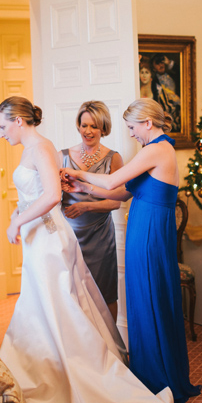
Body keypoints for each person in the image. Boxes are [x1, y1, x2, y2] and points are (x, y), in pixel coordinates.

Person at [0, 96, 174, 403]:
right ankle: (43, 369)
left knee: (66, 305)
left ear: (18, 120)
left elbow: (61, 195)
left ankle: (79, 373)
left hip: (59, 235)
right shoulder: (37, 149)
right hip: (42, 237)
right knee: (44, 306)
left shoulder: (46, 148)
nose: (2, 133)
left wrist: (18, 222)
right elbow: (38, 193)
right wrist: (18, 212)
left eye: (3, 126)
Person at [61, 98, 201, 403]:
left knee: (148, 295)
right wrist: (82, 189)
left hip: (149, 231)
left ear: (147, 123)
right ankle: (154, 369)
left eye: (132, 127)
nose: (131, 133)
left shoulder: (156, 149)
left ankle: (157, 376)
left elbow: (112, 179)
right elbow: (124, 191)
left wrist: (76, 173)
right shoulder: (156, 149)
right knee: (144, 295)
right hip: (145, 226)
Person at [60, 101, 124, 320]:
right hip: (70, 234)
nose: (88, 131)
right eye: (84, 125)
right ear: (78, 126)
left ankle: (113, 348)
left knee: (105, 294)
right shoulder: (63, 156)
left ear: (103, 128)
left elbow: (116, 202)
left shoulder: (113, 158)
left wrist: (86, 205)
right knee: (72, 293)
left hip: (100, 237)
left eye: (94, 126)